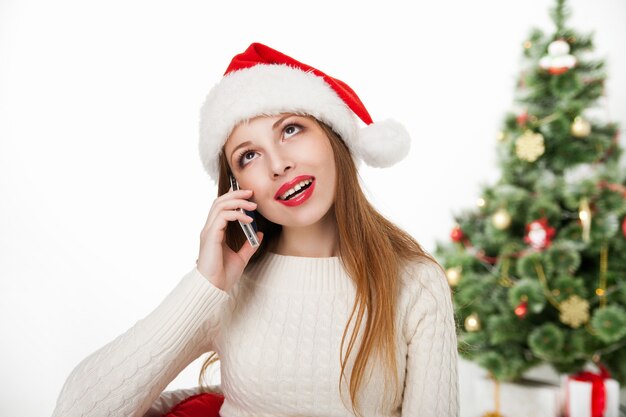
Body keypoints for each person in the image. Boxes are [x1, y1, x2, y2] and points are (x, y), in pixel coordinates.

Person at [51, 42, 459, 417]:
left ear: (334, 136)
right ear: (238, 189)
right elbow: (76, 411)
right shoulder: (227, 289)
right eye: (248, 155)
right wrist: (205, 284)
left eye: (291, 129)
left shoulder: (416, 284)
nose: (278, 164)